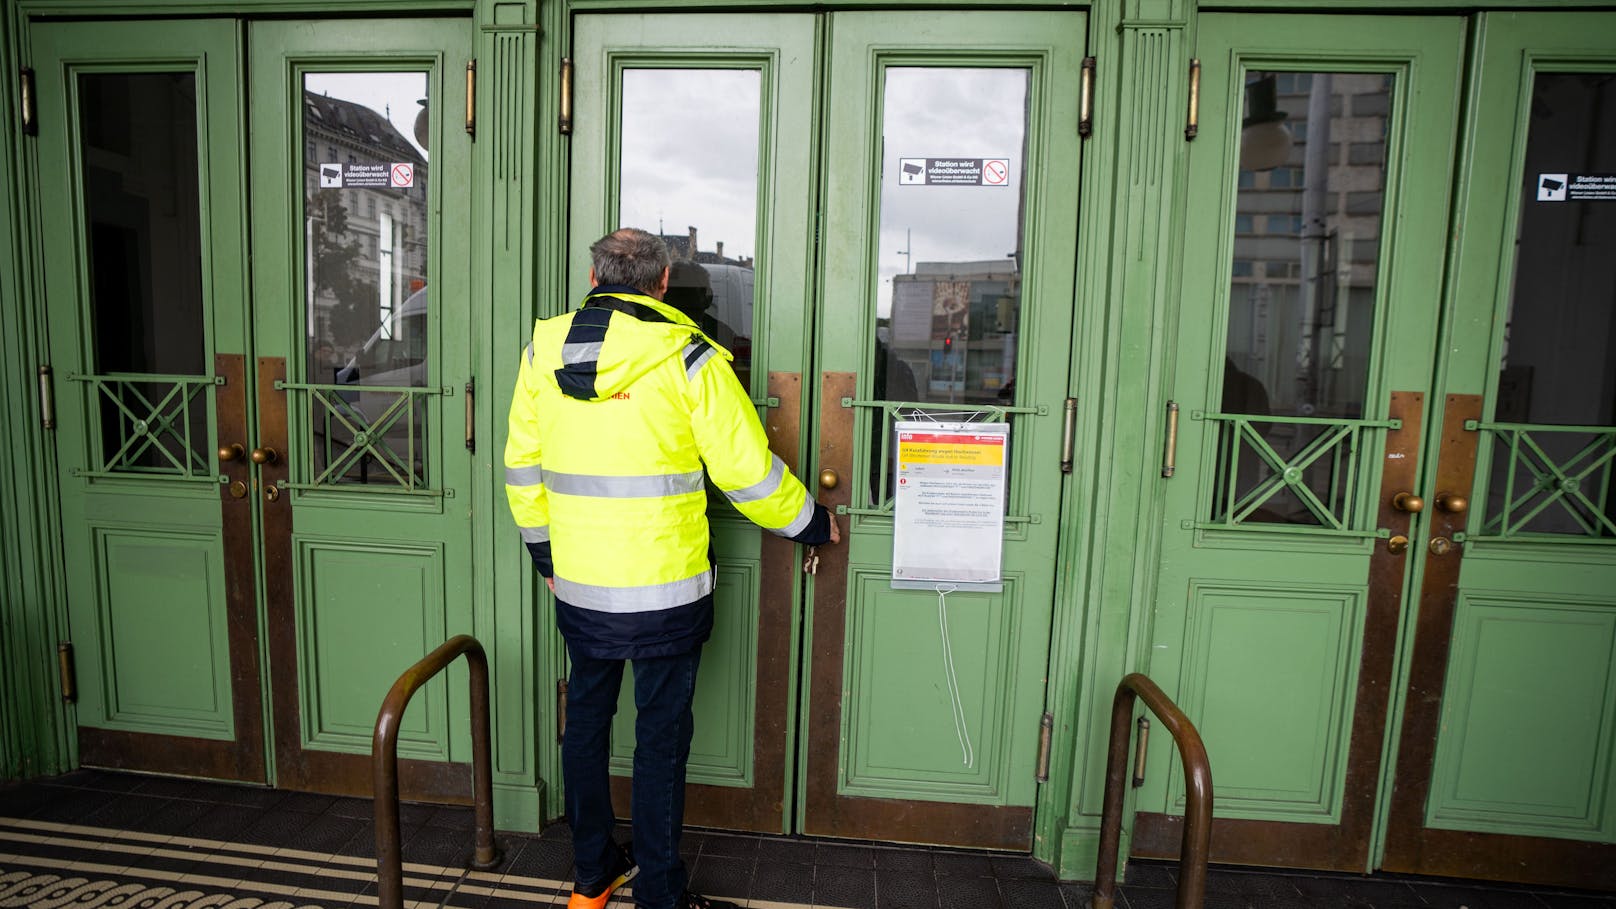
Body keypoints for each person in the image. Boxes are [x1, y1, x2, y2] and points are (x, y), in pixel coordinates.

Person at [504, 228, 839, 909]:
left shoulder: (542, 352)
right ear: (661, 284)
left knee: (587, 725)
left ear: (595, 278)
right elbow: (747, 472)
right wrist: (808, 521)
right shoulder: (688, 358)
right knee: (659, 741)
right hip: (665, 591)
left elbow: (521, 469)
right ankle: (659, 894)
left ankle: (591, 879)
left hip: (581, 585)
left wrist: (546, 556)